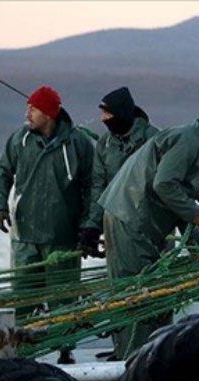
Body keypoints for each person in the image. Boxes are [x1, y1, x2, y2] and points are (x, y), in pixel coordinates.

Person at [99, 88, 199, 358]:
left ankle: (149, 355)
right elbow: (165, 185)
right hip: (130, 217)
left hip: (141, 220)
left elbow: (180, 193)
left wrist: (198, 249)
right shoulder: (191, 141)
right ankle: (131, 360)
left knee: (154, 294)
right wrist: (195, 212)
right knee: (136, 294)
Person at [0, 85, 95, 364]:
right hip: (24, 236)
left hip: (62, 236)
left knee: (64, 298)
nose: (28, 112)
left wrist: (89, 226)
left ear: (49, 113)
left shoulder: (79, 144)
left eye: (33, 108)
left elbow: (93, 186)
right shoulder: (19, 140)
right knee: (23, 298)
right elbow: (3, 172)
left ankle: (65, 349)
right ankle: (23, 353)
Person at [80, 86, 159, 257]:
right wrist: (93, 226)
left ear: (121, 113)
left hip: (152, 227)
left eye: (107, 114)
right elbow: (99, 187)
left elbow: (166, 184)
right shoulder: (105, 143)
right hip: (116, 226)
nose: (103, 119)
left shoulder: (153, 139)